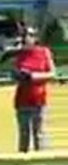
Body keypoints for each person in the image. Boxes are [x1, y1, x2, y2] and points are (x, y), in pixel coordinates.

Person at [12, 25, 55, 153]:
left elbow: (52, 73)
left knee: (39, 132)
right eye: (24, 36)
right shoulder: (19, 54)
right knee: (24, 134)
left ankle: (40, 163)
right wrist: (18, 75)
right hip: (22, 100)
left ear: (35, 38)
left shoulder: (44, 52)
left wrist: (33, 76)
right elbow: (14, 72)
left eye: (29, 36)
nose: (26, 39)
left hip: (38, 99)